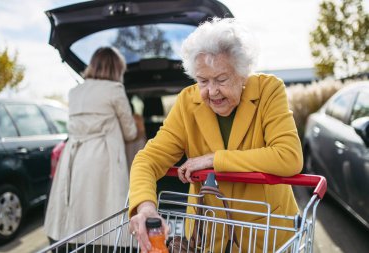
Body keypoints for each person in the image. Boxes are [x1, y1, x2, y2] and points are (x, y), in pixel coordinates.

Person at [128, 18, 303, 253]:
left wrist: (214, 159)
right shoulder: (187, 103)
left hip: (266, 236)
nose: (212, 91)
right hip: (207, 237)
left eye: (221, 79)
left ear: (242, 74)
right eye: (203, 81)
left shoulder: (269, 91)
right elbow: (146, 160)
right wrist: (146, 208)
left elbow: (288, 156)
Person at [44, 47, 144, 250]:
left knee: (78, 208)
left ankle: (75, 244)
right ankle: (110, 245)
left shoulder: (75, 92)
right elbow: (130, 133)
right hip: (102, 157)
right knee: (105, 207)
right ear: (117, 69)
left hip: (74, 157)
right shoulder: (114, 90)